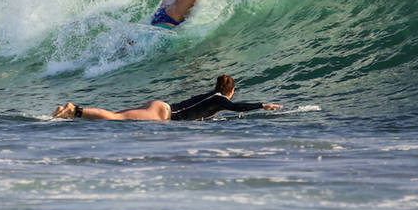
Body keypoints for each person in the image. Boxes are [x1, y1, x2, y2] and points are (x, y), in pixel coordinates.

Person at [53, 74, 282, 121]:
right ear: (230, 91)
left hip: (160, 108)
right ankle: (74, 110)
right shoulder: (221, 99)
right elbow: (237, 107)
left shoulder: (212, 97)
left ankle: (69, 111)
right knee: (114, 118)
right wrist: (262, 105)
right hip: (162, 113)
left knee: (116, 116)